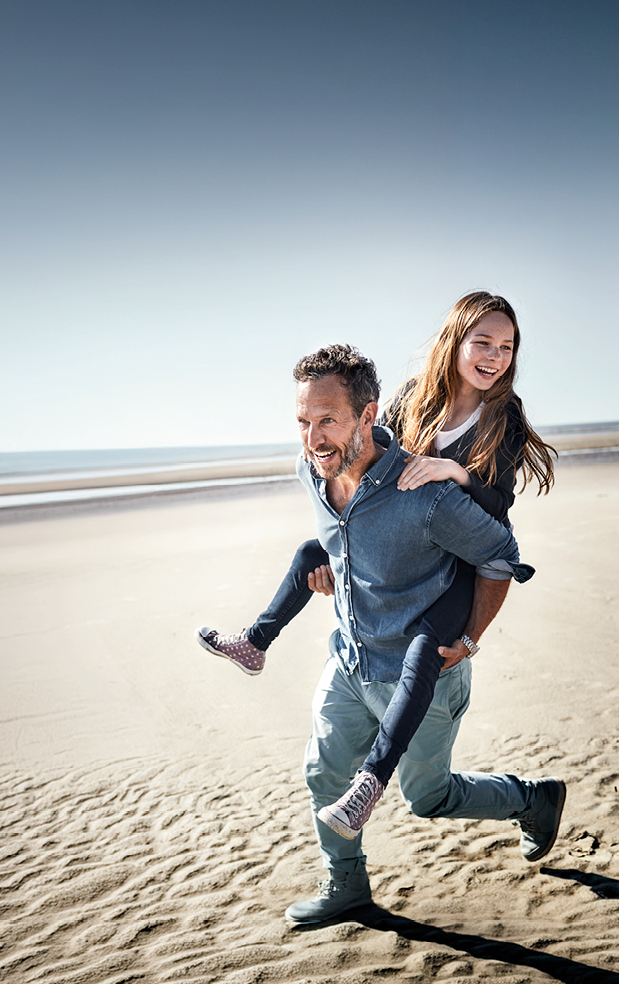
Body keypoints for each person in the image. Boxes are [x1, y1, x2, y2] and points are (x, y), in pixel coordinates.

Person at [198, 292, 558, 842]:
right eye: (481, 341)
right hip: (402, 547)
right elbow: (375, 461)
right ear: (453, 343)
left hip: (458, 567)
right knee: (309, 556)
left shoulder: (501, 419)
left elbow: (498, 512)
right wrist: (344, 565)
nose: (494, 355)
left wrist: (453, 474)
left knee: (424, 659)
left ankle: (375, 782)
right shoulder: (416, 396)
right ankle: (255, 641)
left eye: (506, 346)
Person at [267, 343, 566, 926]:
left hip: (424, 673)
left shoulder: (425, 496)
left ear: (369, 414)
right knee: (323, 773)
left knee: (428, 798)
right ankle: (346, 887)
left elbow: (501, 556)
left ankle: (534, 798)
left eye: (328, 420)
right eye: (303, 422)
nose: (313, 439)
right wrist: (332, 571)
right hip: (352, 661)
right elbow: (341, 541)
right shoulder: (312, 471)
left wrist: (471, 639)